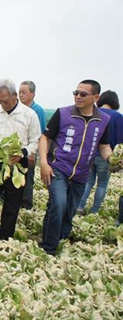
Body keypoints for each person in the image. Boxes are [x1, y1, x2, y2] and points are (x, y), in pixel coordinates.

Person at [39, 80, 113, 256]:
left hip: (81, 174)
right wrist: (43, 162)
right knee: (58, 204)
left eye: (83, 94)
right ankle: (49, 249)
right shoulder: (63, 113)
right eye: (76, 93)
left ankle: (59, 240)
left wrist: (111, 159)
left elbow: (103, 146)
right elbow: (45, 137)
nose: (78, 97)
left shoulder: (103, 120)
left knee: (69, 211)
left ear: (96, 97)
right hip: (58, 168)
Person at [0, 79, 41, 240]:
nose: (3, 104)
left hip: (18, 163)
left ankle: (5, 236)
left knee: (13, 202)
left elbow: (35, 140)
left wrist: (23, 152)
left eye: (5, 100)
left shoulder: (29, 115)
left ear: (14, 95)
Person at [77, 90, 123, 215]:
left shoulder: (94, 113)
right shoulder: (117, 116)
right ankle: (94, 211)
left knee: (88, 181)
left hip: (89, 154)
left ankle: (80, 207)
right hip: (107, 156)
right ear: (115, 102)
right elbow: (120, 141)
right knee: (102, 184)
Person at [18, 80, 47, 209]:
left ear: (32, 94)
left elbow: (40, 135)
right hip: (16, 151)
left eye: (24, 92)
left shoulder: (37, 110)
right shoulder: (17, 108)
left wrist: (33, 153)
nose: (21, 95)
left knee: (28, 178)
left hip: (29, 151)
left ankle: (26, 205)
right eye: (19, 92)